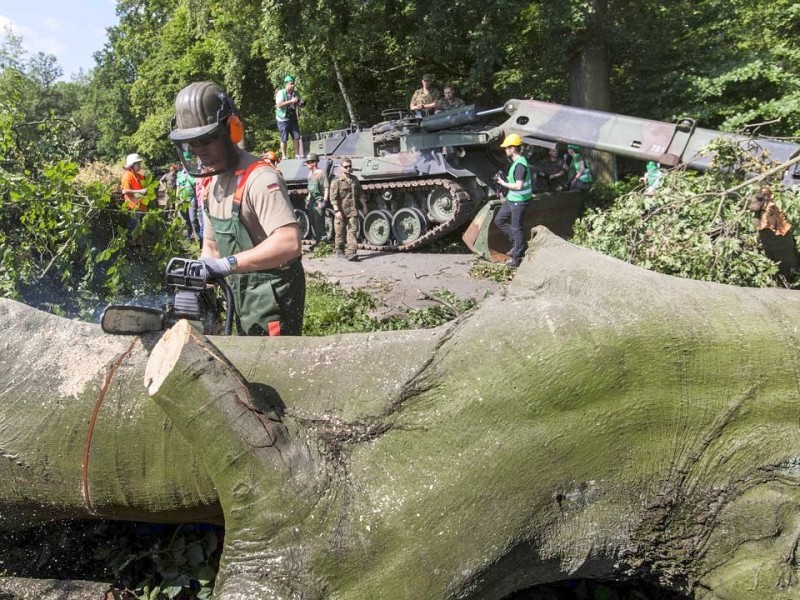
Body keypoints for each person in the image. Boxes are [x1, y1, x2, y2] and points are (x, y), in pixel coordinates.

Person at [170, 81, 305, 336]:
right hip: (240, 294)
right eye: (192, 144)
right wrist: (200, 278)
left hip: (271, 297)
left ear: (230, 130)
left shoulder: (260, 178)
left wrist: (225, 265)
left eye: (206, 141)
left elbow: (289, 243)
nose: (200, 152)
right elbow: (210, 247)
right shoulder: (211, 183)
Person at [493, 133, 533, 269]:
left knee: (517, 228)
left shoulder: (520, 165)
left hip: (520, 201)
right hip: (512, 199)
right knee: (499, 220)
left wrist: (503, 183)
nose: (505, 150)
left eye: (506, 148)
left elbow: (518, 186)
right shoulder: (517, 163)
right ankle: (516, 244)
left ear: (512, 149)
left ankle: (517, 258)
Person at [330, 158, 366, 261]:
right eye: (346, 167)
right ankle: (339, 250)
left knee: (352, 231)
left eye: (350, 166)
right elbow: (333, 198)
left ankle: (351, 252)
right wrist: (336, 211)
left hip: (352, 210)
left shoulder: (354, 180)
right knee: (339, 232)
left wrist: (364, 206)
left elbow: (360, 194)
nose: (348, 168)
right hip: (341, 211)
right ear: (341, 168)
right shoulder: (336, 181)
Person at [275, 75, 304, 159]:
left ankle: (297, 154)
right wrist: (291, 101)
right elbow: (279, 104)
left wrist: (300, 103)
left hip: (292, 117)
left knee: (296, 136)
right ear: (286, 84)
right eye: (291, 84)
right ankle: (284, 156)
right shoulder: (281, 92)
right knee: (284, 138)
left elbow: (298, 103)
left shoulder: (296, 93)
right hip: (282, 119)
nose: (293, 85)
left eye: (293, 83)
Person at [305, 152, 329, 246]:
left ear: (314, 163)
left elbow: (326, 187)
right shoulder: (310, 174)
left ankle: (323, 243)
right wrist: (308, 198)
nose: (307, 165)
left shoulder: (321, 173)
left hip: (318, 201)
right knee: (313, 222)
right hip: (312, 202)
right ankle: (318, 242)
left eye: (308, 162)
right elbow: (310, 190)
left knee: (320, 223)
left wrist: (324, 201)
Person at [176, 158, 200, 243]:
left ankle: (199, 238)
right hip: (182, 200)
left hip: (192, 198)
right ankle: (189, 237)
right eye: (184, 161)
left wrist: (188, 176)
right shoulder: (179, 174)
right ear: (182, 163)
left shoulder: (194, 171)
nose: (186, 163)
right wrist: (177, 199)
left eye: (188, 161)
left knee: (193, 219)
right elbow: (178, 187)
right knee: (186, 220)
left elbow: (195, 184)